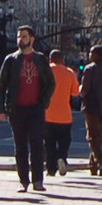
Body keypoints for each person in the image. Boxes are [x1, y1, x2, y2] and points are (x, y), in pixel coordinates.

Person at [0, 25, 54, 193]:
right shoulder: (11, 60)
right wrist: (1, 109)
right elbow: (1, 84)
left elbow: (50, 83)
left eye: (24, 37)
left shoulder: (40, 59)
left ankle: (38, 180)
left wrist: (44, 102)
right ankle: (23, 181)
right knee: (20, 146)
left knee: (36, 144)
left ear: (32, 39)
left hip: (36, 108)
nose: (21, 40)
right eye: (19, 37)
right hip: (16, 109)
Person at [78, 45, 102, 175]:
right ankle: (93, 166)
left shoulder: (89, 69)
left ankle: (101, 161)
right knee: (99, 135)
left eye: (91, 53)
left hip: (91, 106)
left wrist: (80, 92)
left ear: (96, 55)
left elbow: (84, 90)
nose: (90, 55)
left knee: (92, 136)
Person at [44, 48, 78, 176]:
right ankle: (62, 158)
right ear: (62, 60)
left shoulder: (46, 71)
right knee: (64, 141)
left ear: (50, 59)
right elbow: (75, 92)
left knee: (49, 143)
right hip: (65, 115)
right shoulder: (69, 72)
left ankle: (50, 168)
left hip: (47, 114)